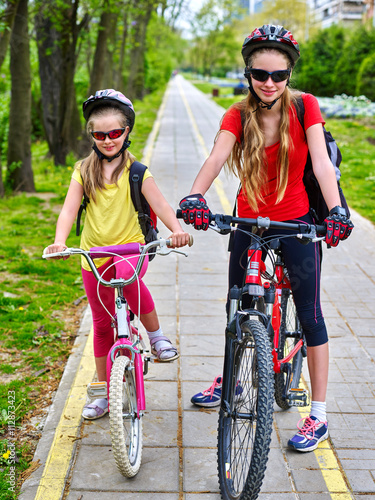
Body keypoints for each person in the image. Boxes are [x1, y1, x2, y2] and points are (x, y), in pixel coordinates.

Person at [179, 25, 353, 452]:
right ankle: (233, 373)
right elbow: (217, 155)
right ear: (248, 73)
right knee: (236, 302)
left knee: (310, 315)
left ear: (290, 74)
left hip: (297, 221)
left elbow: (321, 163)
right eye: (260, 74)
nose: (269, 83)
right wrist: (195, 196)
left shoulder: (305, 107)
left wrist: (336, 212)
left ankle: (319, 414)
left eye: (278, 75)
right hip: (249, 221)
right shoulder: (237, 114)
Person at [45, 89, 190, 420]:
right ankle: (102, 391)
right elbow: (68, 210)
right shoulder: (84, 170)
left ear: (127, 132)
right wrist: (59, 241)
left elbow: (162, 206)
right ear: (91, 136)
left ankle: (156, 336)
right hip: (93, 254)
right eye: (100, 134)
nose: (108, 140)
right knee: (101, 324)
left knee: (131, 286)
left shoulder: (137, 171)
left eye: (115, 133)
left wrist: (175, 231)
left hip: (129, 248)